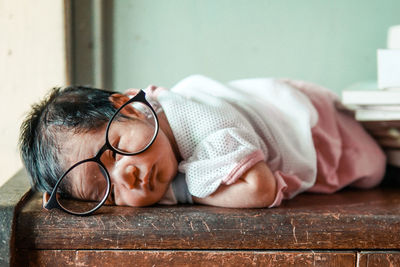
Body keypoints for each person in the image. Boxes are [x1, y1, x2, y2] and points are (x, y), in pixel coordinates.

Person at [19, 75, 386, 214]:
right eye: (107, 191)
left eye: (113, 150)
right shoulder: (151, 139)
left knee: (376, 168)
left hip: (313, 125)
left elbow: (259, 187)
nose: (127, 178)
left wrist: (180, 190)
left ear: (126, 105)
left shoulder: (194, 118)